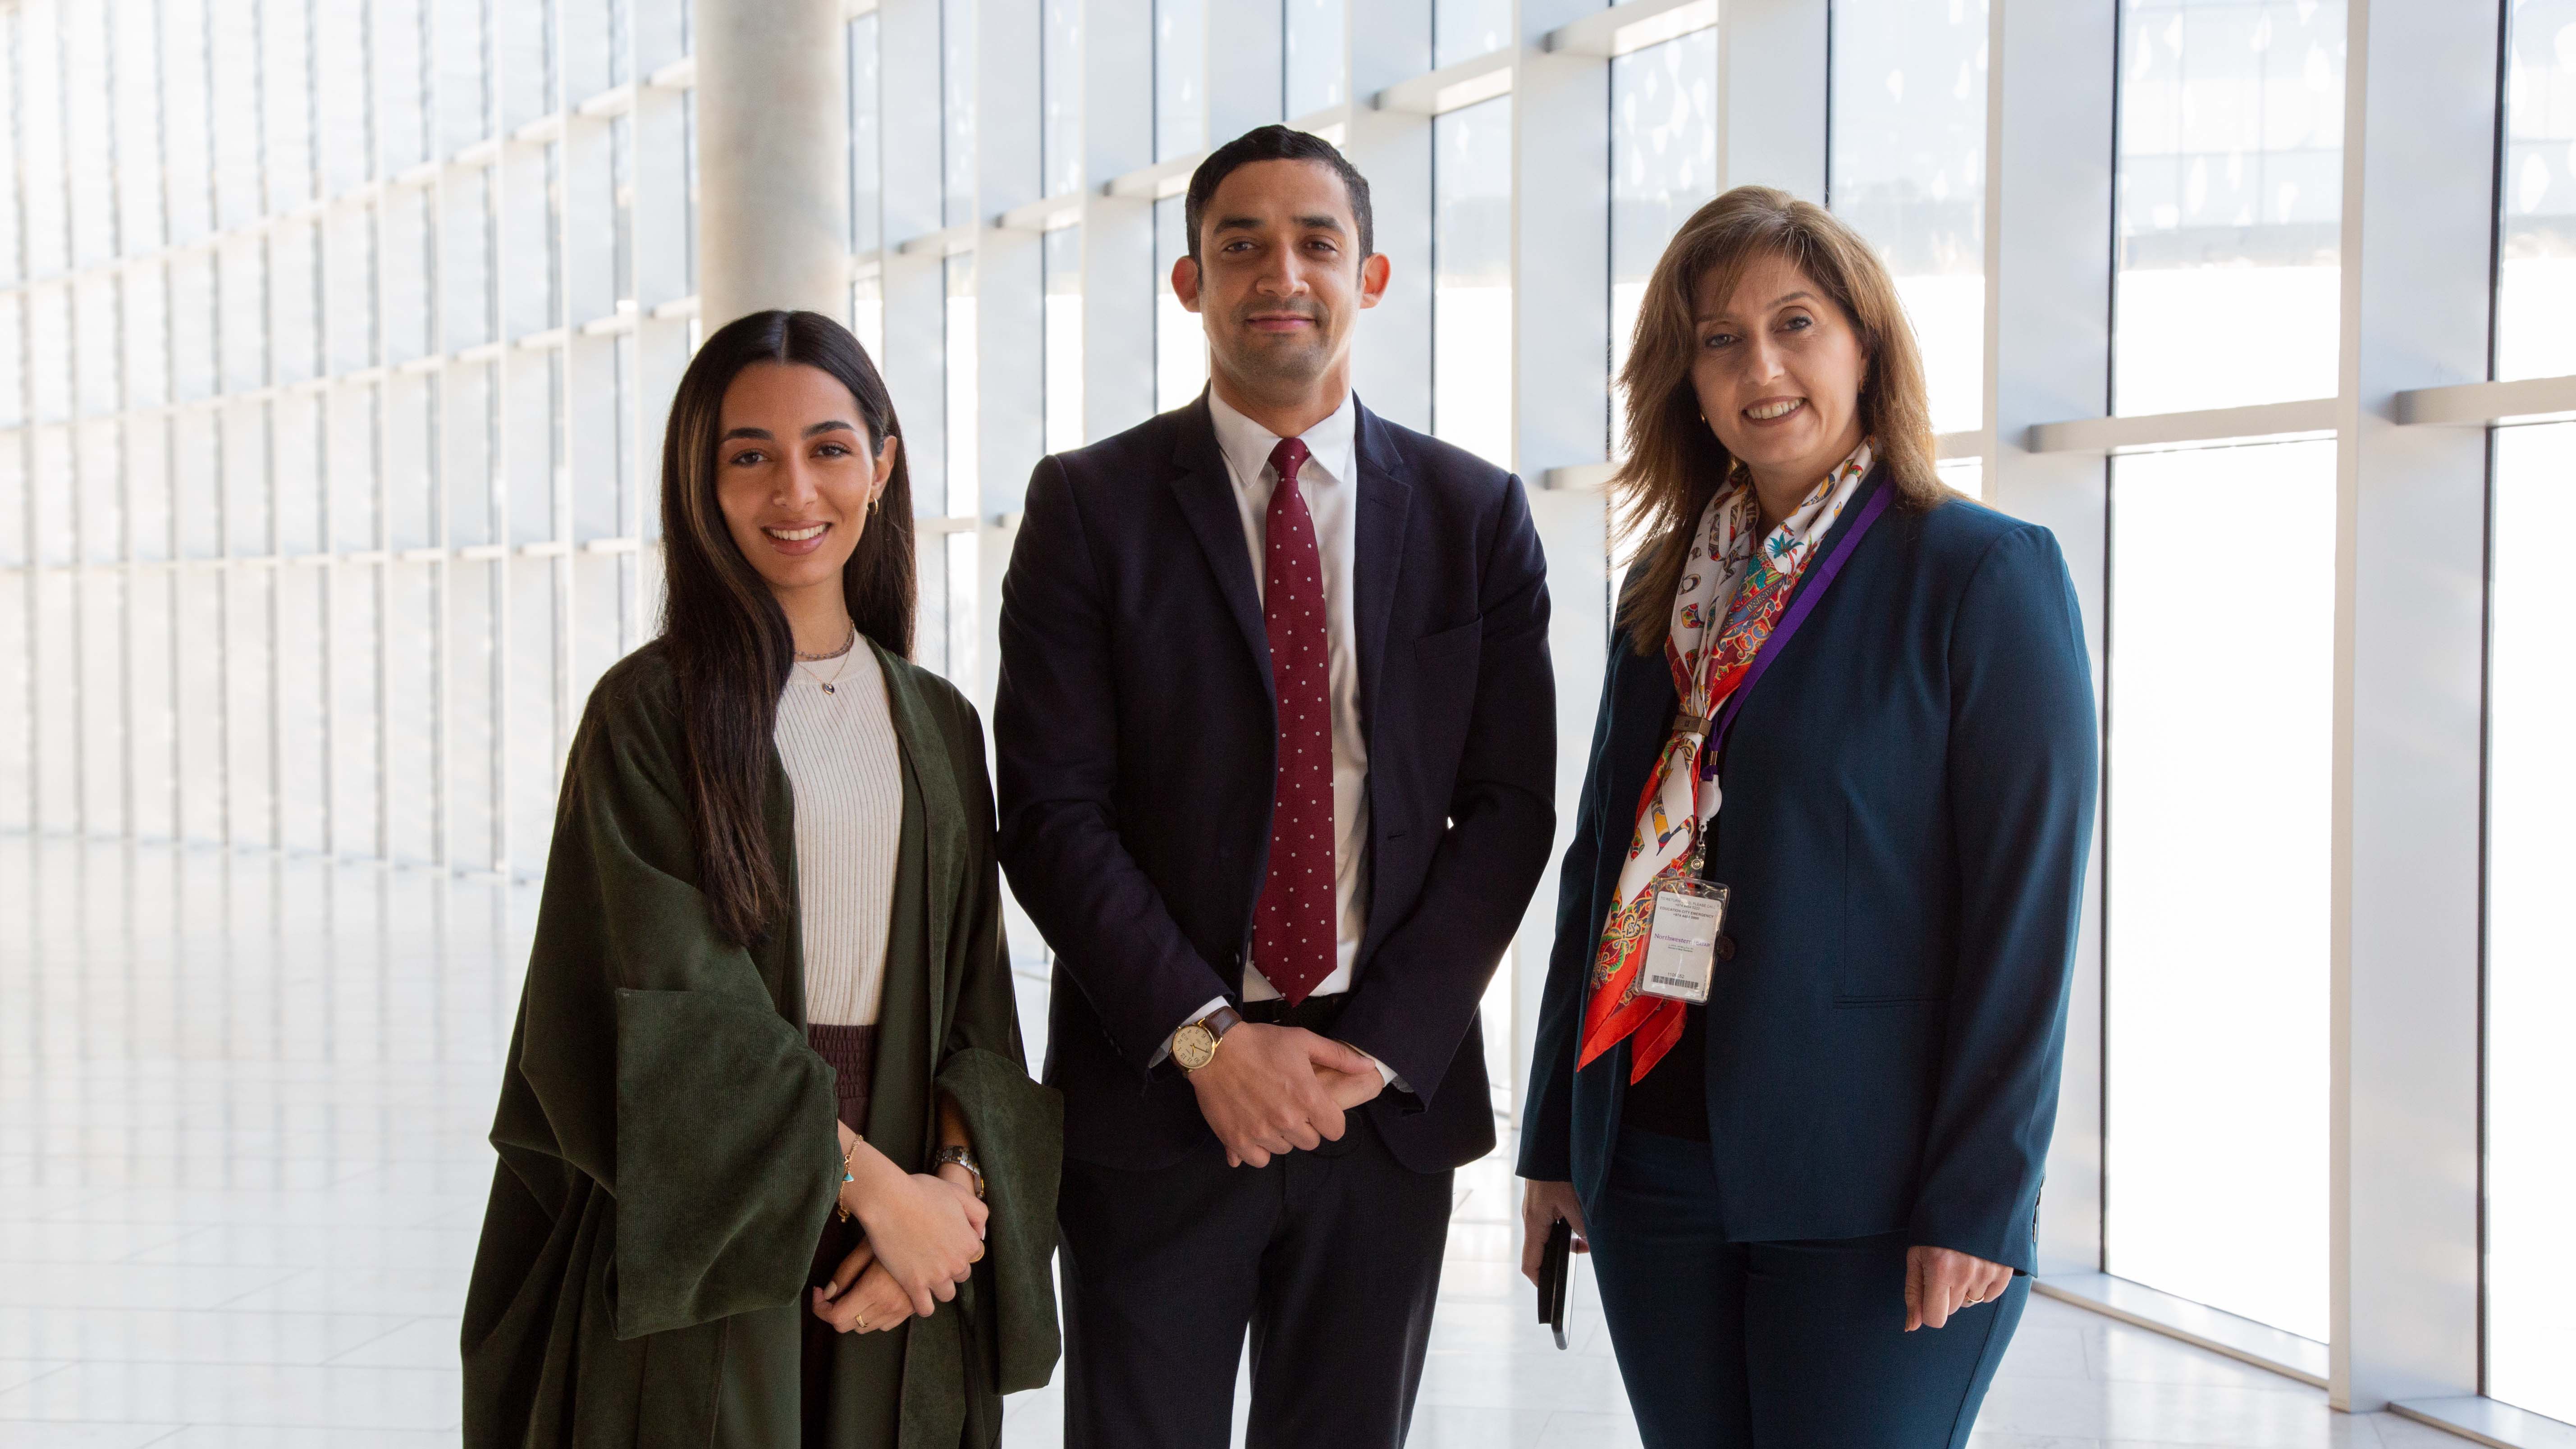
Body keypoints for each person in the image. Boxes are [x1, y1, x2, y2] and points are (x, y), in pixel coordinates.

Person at [997, 124, 1557, 1449]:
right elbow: (1050, 815)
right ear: (1189, 283)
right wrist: (1208, 1040)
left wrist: (1374, 1050)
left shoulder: (1477, 517)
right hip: (1158, 1103)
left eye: (1316, 242)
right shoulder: (1089, 506)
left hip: (1381, 1109)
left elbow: (1511, 810)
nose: (1279, 273)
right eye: (1238, 245)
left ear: (1367, 279)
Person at [1516, 187, 2098, 1447]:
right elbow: (1599, 872)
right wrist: (1556, 1140)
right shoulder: (1665, 588)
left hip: (1874, 1187)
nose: (1758, 367)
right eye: (1718, 339)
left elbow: (2027, 914)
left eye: (1795, 324)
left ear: (1866, 347)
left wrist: (1980, 1199)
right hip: (1653, 1162)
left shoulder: (1981, 576)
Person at [461, 310, 1060, 1449]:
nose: (795, 490)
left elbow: (977, 1002)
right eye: (750, 456)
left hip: (899, 1204)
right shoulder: (647, 715)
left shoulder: (937, 722)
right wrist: (877, 1195)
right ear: (703, 480)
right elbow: (676, 1011)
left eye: (829, 448)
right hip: (711, 1214)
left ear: (880, 465)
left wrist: (947, 1207)